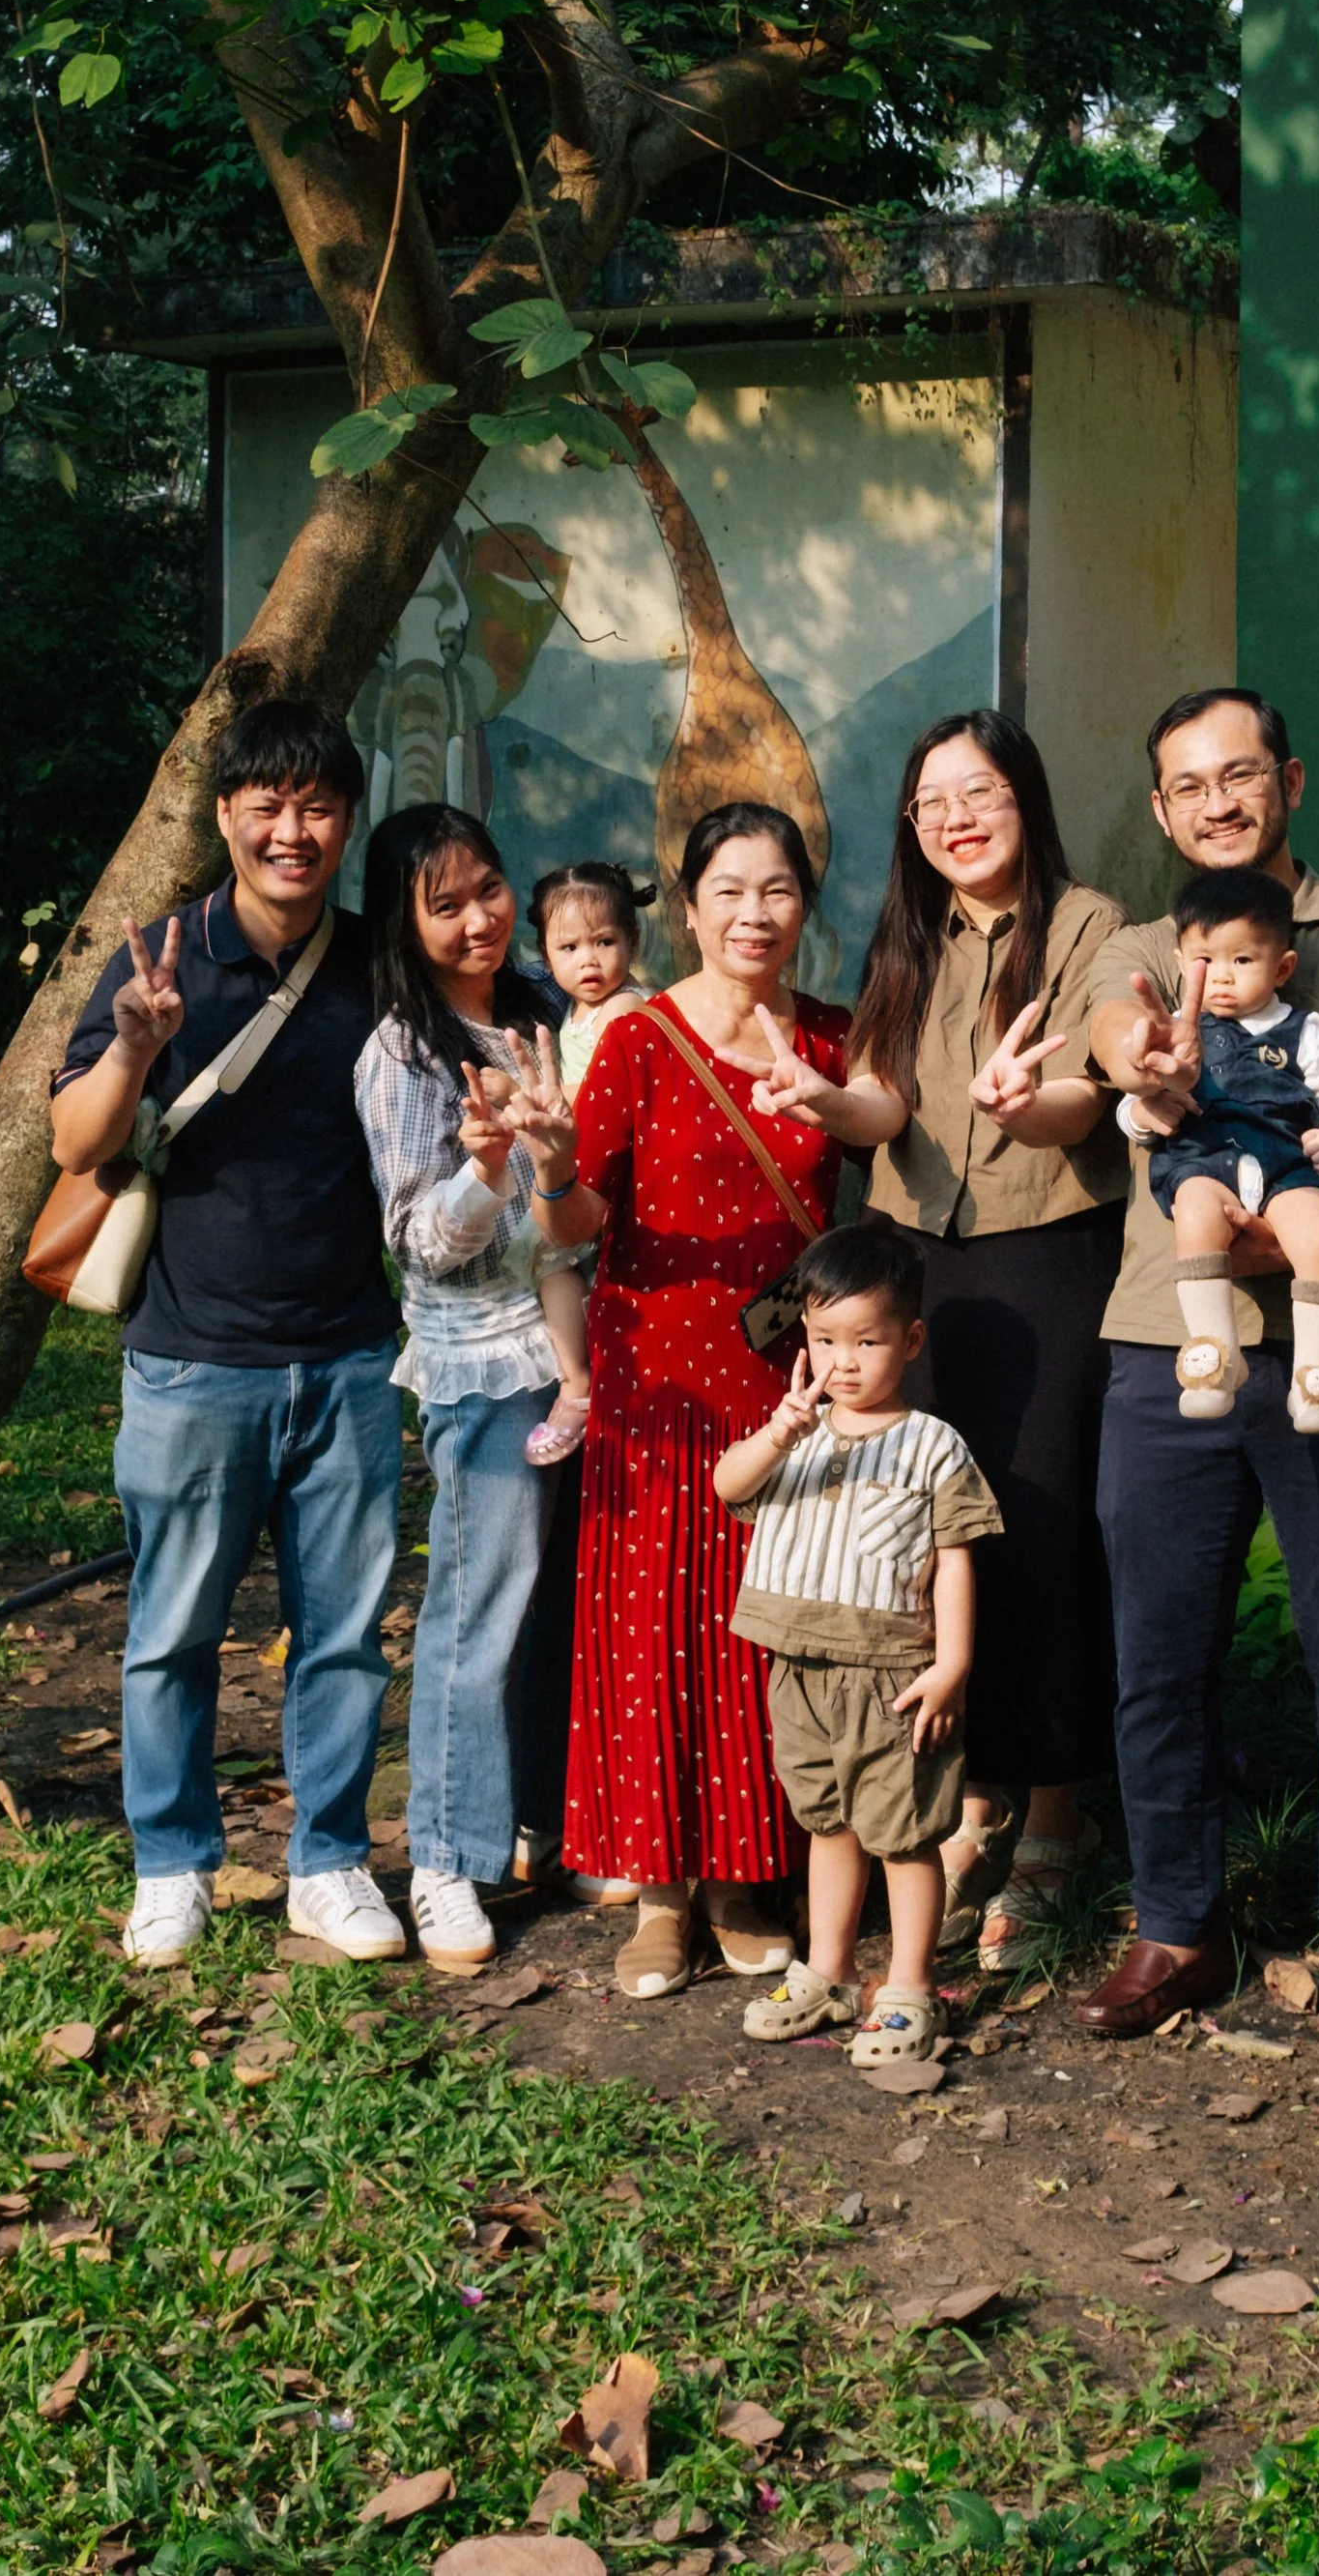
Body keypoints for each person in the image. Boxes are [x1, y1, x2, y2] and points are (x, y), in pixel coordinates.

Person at [1080, 687, 1319, 2056]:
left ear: (1288, 780)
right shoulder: (1134, 943)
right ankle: (1175, 1921)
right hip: (1161, 1339)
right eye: (1189, 784)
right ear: (1165, 807)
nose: (1218, 799)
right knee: (1157, 1651)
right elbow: (1124, 1058)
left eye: (1241, 773)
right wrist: (1161, 1072)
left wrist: (1290, 1248)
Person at [52, 693, 408, 1969]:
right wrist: (135, 1048)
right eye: (268, 802)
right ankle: (172, 1861)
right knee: (171, 1633)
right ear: (225, 814)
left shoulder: (378, 962)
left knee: (346, 1636)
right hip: (193, 1355)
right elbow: (75, 1145)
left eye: (316, 804)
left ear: (345, 817)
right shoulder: (161, 956)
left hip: (352, 1354)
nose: (292, 828)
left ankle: (327, 1860)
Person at [530, 800, 907, 1998]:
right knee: (648, 1634)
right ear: (685, 907)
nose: (754, 914)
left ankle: (747, 1877)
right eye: (728, 891)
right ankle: (656, 1892)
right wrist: (546, 1168)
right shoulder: (640, 1039)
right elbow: (581, 1219)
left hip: (786, 1385)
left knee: (766, 1632)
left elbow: (886, 1140)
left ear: (805, 906)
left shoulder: (836, 1040)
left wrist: (824, 1101)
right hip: (654, 1376)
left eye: (777, 891)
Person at [854, 709, 1125, 1958]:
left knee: (1044, 1526)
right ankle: (973, 1796)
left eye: (982, 792)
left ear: (1027, 798)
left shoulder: (1087, 926)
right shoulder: (907, 938)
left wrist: (1032, 1104)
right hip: (923, 1263)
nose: (957, 817)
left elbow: (1089, 1099)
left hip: (1047, 1251)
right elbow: (878, 1099)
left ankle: (1059, 1812)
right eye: (933, 801)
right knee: (938, 1539)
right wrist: (824, 1099)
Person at [353, 804, 580, 1972]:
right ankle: (444, 1857)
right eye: (443, 905)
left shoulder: (548, 1011)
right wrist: (487, 1169)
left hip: (584, 1352)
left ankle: (544, 1825)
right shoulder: (401, 1048)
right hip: (488, 1365)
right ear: (404, 919)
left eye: (488, 889)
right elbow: (421, 1243)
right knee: (480, 1608)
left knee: (562, 1605)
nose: (478, 919)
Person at [715, 1226, 1005, 2066]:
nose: (844, 1361)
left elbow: (954, 1562)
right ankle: (829, 1970)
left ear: (910, 1341)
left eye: (867, 1341)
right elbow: (726, 1485)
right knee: (828, 1822)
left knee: (904, 1833)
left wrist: (952, 1665)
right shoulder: (793, 1436)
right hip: (797, 1663)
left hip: (892, 1676)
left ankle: (909, 1984)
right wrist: (780, 1432)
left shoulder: (931, 1445)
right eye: (824, 1341)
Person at [1131, 865, 1319, 1431]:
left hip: (1285, 1165)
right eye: (1205, 961)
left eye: (1243, 960)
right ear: (1182, 964)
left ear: (1282, 966)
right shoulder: (1177, 1032)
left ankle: (1315, 1374)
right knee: (1195, 1212)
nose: (1222, 978)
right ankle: (1215, 1354)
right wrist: (1147, 1109)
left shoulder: (1301, 1029)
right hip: (1203, 1164)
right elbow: (1132, 1101)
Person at [517, 858, 655, 1469]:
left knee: (552, 1257)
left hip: (621, 1176)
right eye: (569, 947)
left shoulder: (624, 1010)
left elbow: (599, 1101)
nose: (588, 960)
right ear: (546, 959)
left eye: (605, 941)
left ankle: (576, 1387)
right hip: (587, 1170)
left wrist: (519, 1095)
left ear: (633, 941)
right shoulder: (572, 1014)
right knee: (557, 1264)